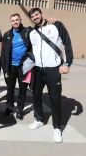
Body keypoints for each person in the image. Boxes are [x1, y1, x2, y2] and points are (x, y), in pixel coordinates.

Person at [28, 8, 73, 143]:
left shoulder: (56, 25)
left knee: (55, 99)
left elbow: (67, 44)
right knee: (36, 95)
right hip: (37, 69)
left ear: (41, 14)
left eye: (37, 14)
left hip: (53, 69)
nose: (35, 17)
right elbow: (30, 49)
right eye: (32, 16)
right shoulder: (31, 33)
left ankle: (57, 128)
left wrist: (67, 63)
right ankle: (39, 119)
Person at [1, 13, 32, 120]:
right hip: (11, 67)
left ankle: (20, 109)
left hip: (24, 67)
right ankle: (9, 107)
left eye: (17, 19)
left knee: (23, 89)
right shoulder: (7, 35)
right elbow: (4, 53)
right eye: (13, 20)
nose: (15, 22)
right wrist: (5, 69)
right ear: (11, 22)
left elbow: (39, 29)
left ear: (20, 20)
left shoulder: (27, 32)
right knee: (10, 89)